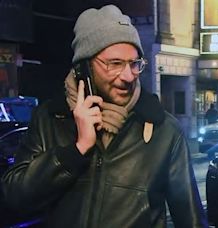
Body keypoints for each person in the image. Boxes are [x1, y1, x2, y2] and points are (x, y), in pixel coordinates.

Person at [1, 5, 207, 228]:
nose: (128, 76)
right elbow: (14, 197)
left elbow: (191, 220)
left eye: (134, 64)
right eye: (115, 64)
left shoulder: (164, 130)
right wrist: (76, 150)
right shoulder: (50, 119)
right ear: (84, 69)